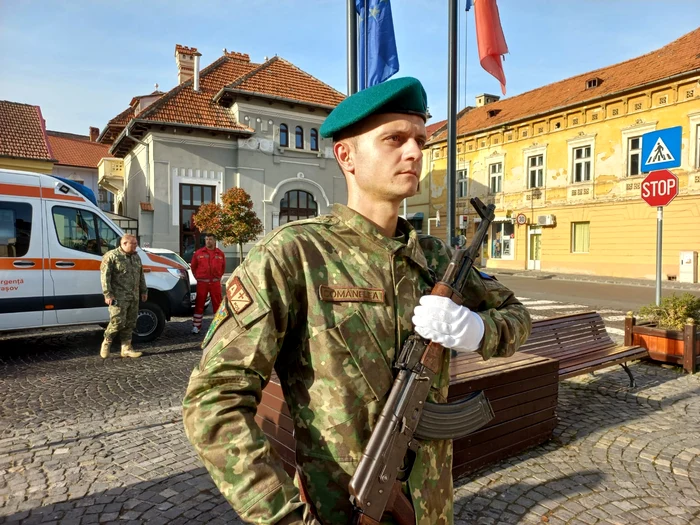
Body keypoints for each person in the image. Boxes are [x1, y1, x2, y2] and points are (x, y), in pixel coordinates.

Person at [182, 77, 531, 525]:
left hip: (433, 507)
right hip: (341, 510)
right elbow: (213, 401)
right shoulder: (295, 255)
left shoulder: (437, 258)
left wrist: (480, 330)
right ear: (345, 155)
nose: (414, 153)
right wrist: (281, 516)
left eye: (420, 141)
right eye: (394, 139)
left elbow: (517, 317)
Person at [100, 234, 147, 358]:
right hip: (118, 296)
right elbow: (105, 277)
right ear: (124, 243)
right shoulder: (112, 256)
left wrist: (144, 291)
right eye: (134, 244)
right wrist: (108, 294)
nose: (136, 246)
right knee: (117, 322)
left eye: (136, 243)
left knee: (130, 322)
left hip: (133, 295)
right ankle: (107, 342)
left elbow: (140, 275)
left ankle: (126, 348)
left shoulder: (136, 257)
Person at [190, 233, 226, 334]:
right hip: (202, 283)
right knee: (199, 304)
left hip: (215, 283)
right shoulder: (198, 253)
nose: (208, 241)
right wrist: (199, 278)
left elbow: (223, 268)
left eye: (210, 239)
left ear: (215, 241)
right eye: (206, 239)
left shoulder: (220, 254)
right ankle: (196, 326)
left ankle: (218, 326)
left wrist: (217, 277)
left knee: (218, 304)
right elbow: (193, 267)